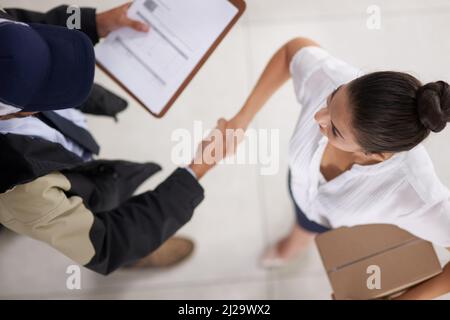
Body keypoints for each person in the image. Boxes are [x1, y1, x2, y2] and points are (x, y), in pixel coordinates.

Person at [0, 3, 232, 275]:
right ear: (25, 111)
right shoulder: (24, 191)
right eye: (48, 88)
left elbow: (16, 25)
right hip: (42, 200)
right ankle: (139, 253)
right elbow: (107, 242)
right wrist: (197, 169)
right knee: (71, 218)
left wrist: (91, 23)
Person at [224, 37, 450, 299]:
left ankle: (295, 243)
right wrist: (242, 118)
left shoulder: (417, 192)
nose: (318, 117)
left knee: (308, 227)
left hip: (333, 224)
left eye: (334, 130)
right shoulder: (335, 80)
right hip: (299, 185)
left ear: (375, 155)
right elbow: (292, 51)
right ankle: (296, 239)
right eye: (331, 98)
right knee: (301, 219)